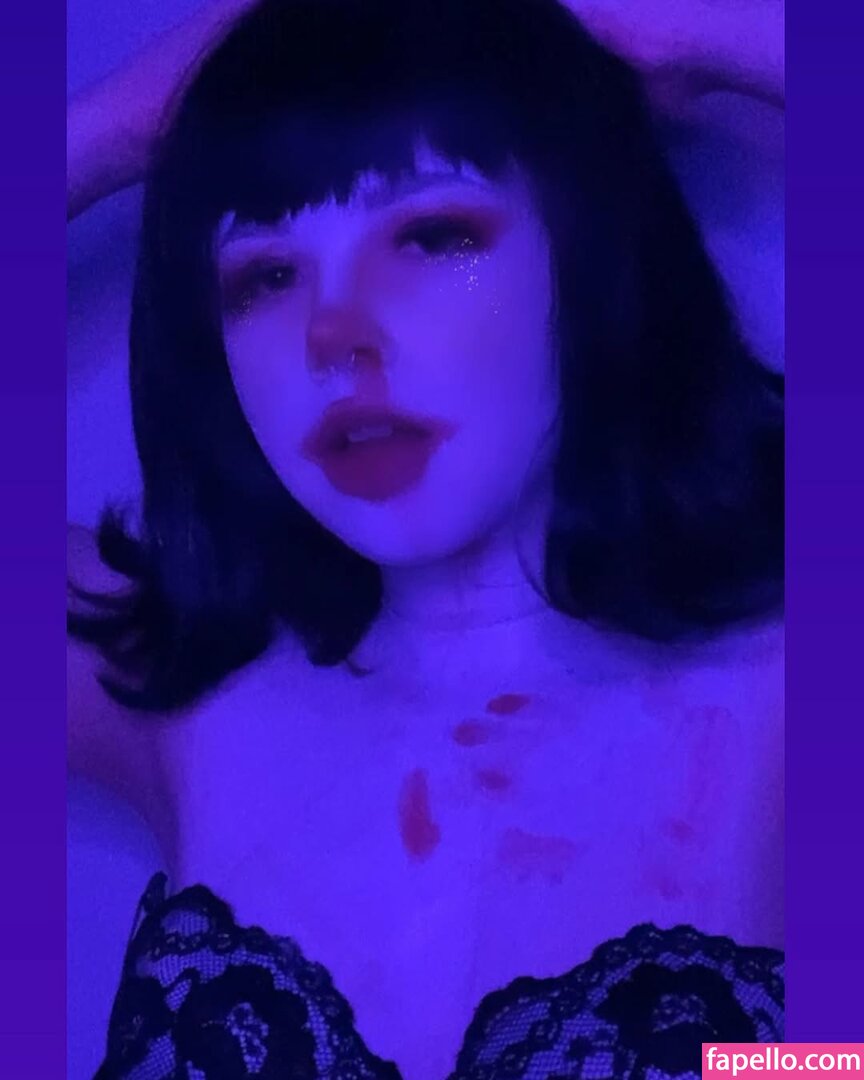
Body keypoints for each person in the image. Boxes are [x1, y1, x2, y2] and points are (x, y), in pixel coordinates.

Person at [67, 0, 785, 1077]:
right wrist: (122, 122)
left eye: (431, 236)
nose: (333, 334)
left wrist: (712, 33)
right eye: (266, 275)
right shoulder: (166, 679)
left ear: (594, 255)